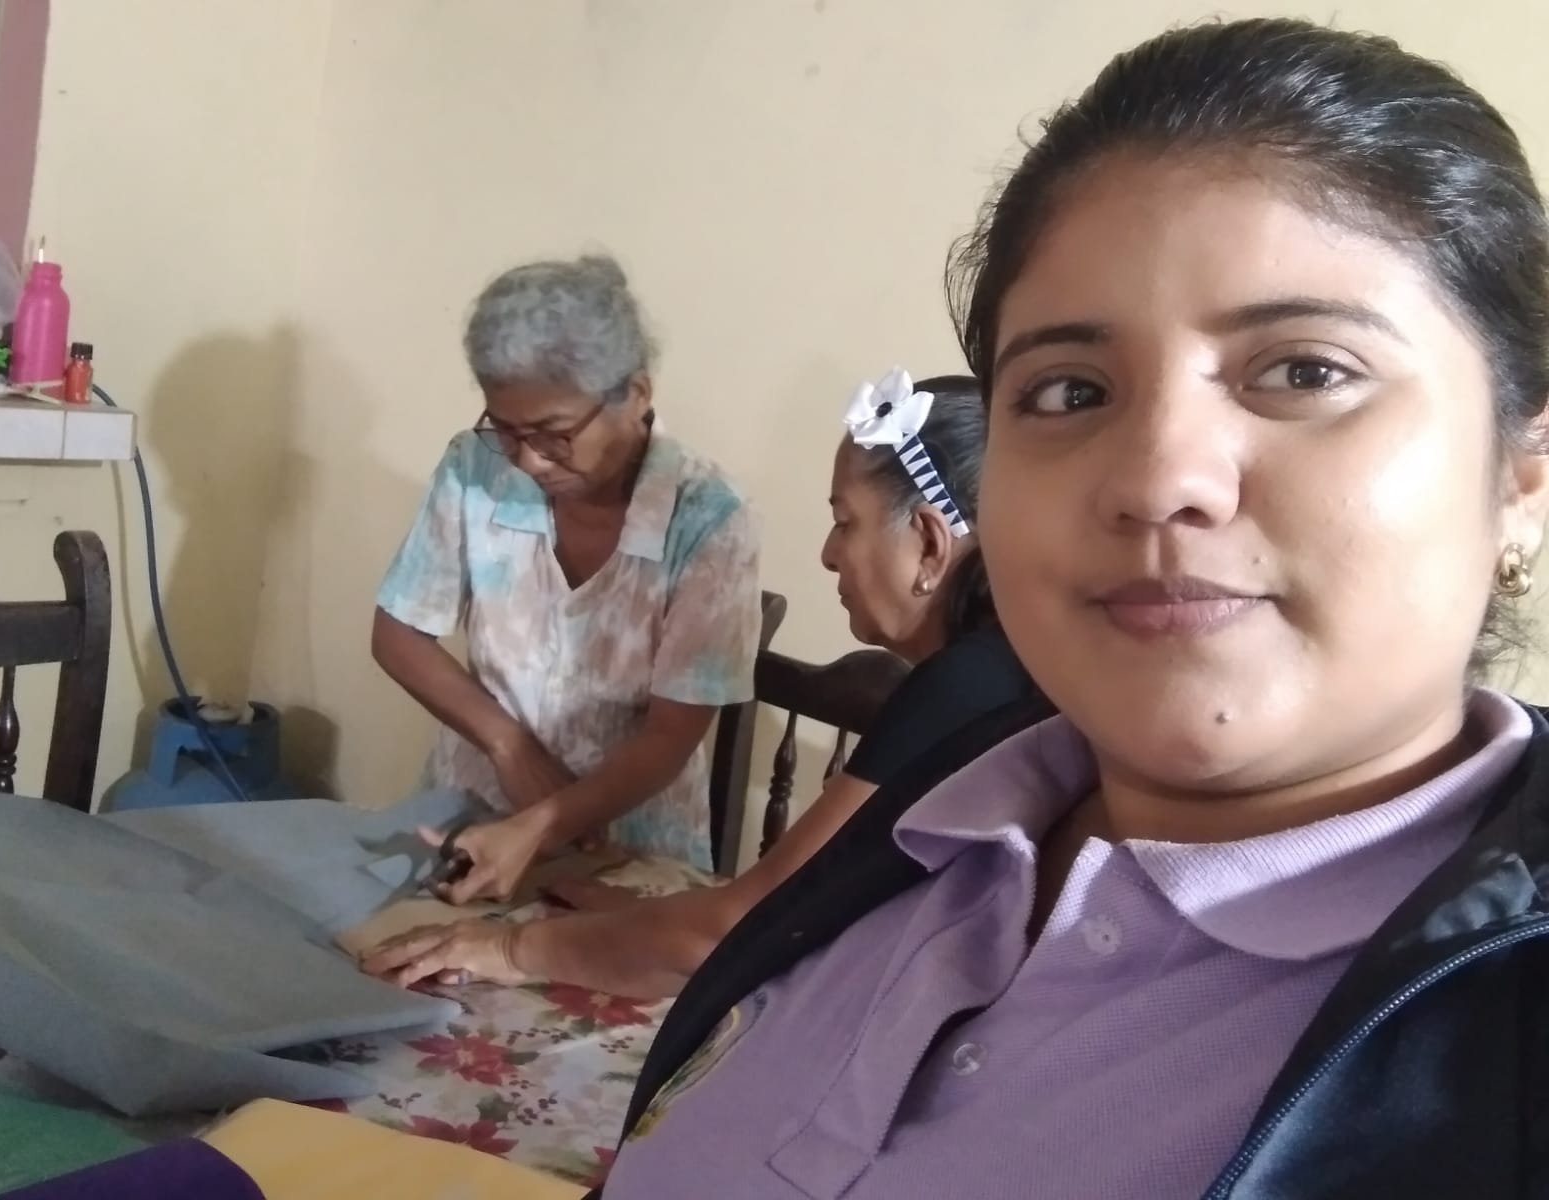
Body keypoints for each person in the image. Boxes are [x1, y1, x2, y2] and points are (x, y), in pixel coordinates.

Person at [596, 19, 1549, 1199]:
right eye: (1067, 391)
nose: (1157, 477)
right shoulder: (943, 810)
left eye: (1304, 371)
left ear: (1521, 475)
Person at [361, 371, 1051, 997]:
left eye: (845, 522)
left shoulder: (959, 692)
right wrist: (653, 919)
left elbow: (739, 927)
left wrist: (510, 949)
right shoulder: (1014, 668)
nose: (827, 553)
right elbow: (791, 905)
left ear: (929, 543)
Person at [373, 255, 761, 898]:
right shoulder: (474, 469)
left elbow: (672, 734)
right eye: (505, 430)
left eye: (554, 433)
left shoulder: (709, 515)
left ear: (636, 395)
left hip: (626, 843)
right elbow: (397, 634)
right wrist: (509, 746)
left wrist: (545, 823)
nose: (529, 460)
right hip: (470, 812)